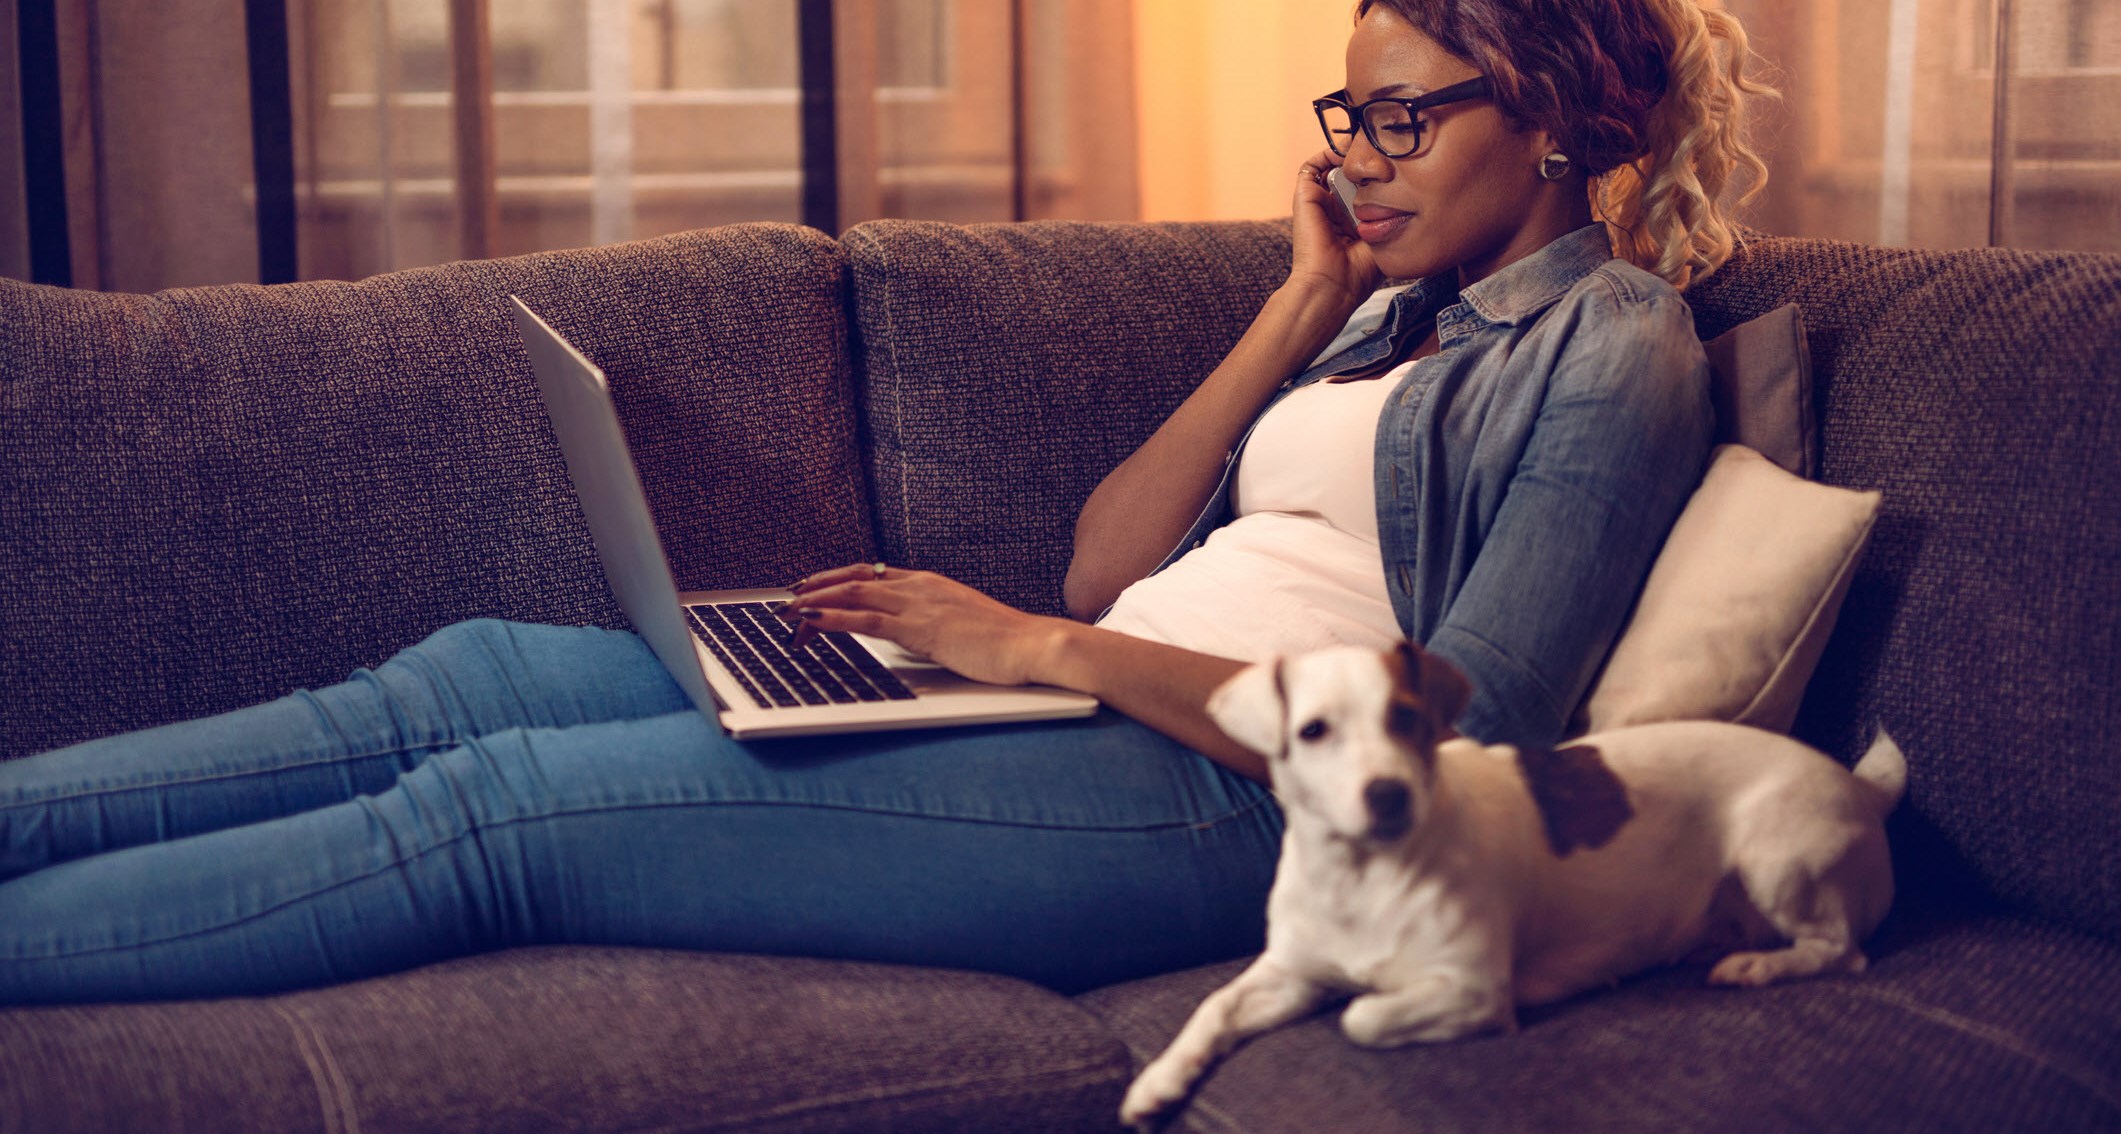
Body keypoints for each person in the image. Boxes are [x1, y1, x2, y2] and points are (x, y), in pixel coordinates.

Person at [0, 0, 1770, 1004]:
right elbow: (1114, 554)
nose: (1350, 160)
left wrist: (1040, 648)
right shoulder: (1382, 314)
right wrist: (1299, 302)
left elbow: (1491, 732)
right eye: (1344, 118)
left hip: (1228, 810)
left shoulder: (1615, 350)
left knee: (500, 807)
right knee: (462, 679)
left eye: (1397, 121)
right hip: (1068, 686)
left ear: (1542, 117)